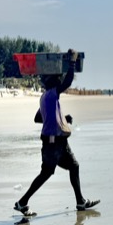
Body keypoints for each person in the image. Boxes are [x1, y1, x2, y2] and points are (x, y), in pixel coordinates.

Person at [14, 49, 99, 216]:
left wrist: (62, 118)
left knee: (73, 166)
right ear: (53, 82)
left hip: (57, 141)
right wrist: (72, 62)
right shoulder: (52, 95)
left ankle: (80, 202)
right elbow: (67, 83)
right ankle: (22, 202)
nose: (60, 81)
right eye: (57, 79)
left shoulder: (45, 97)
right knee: (47, 173)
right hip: (53, 143)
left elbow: (39, 118)